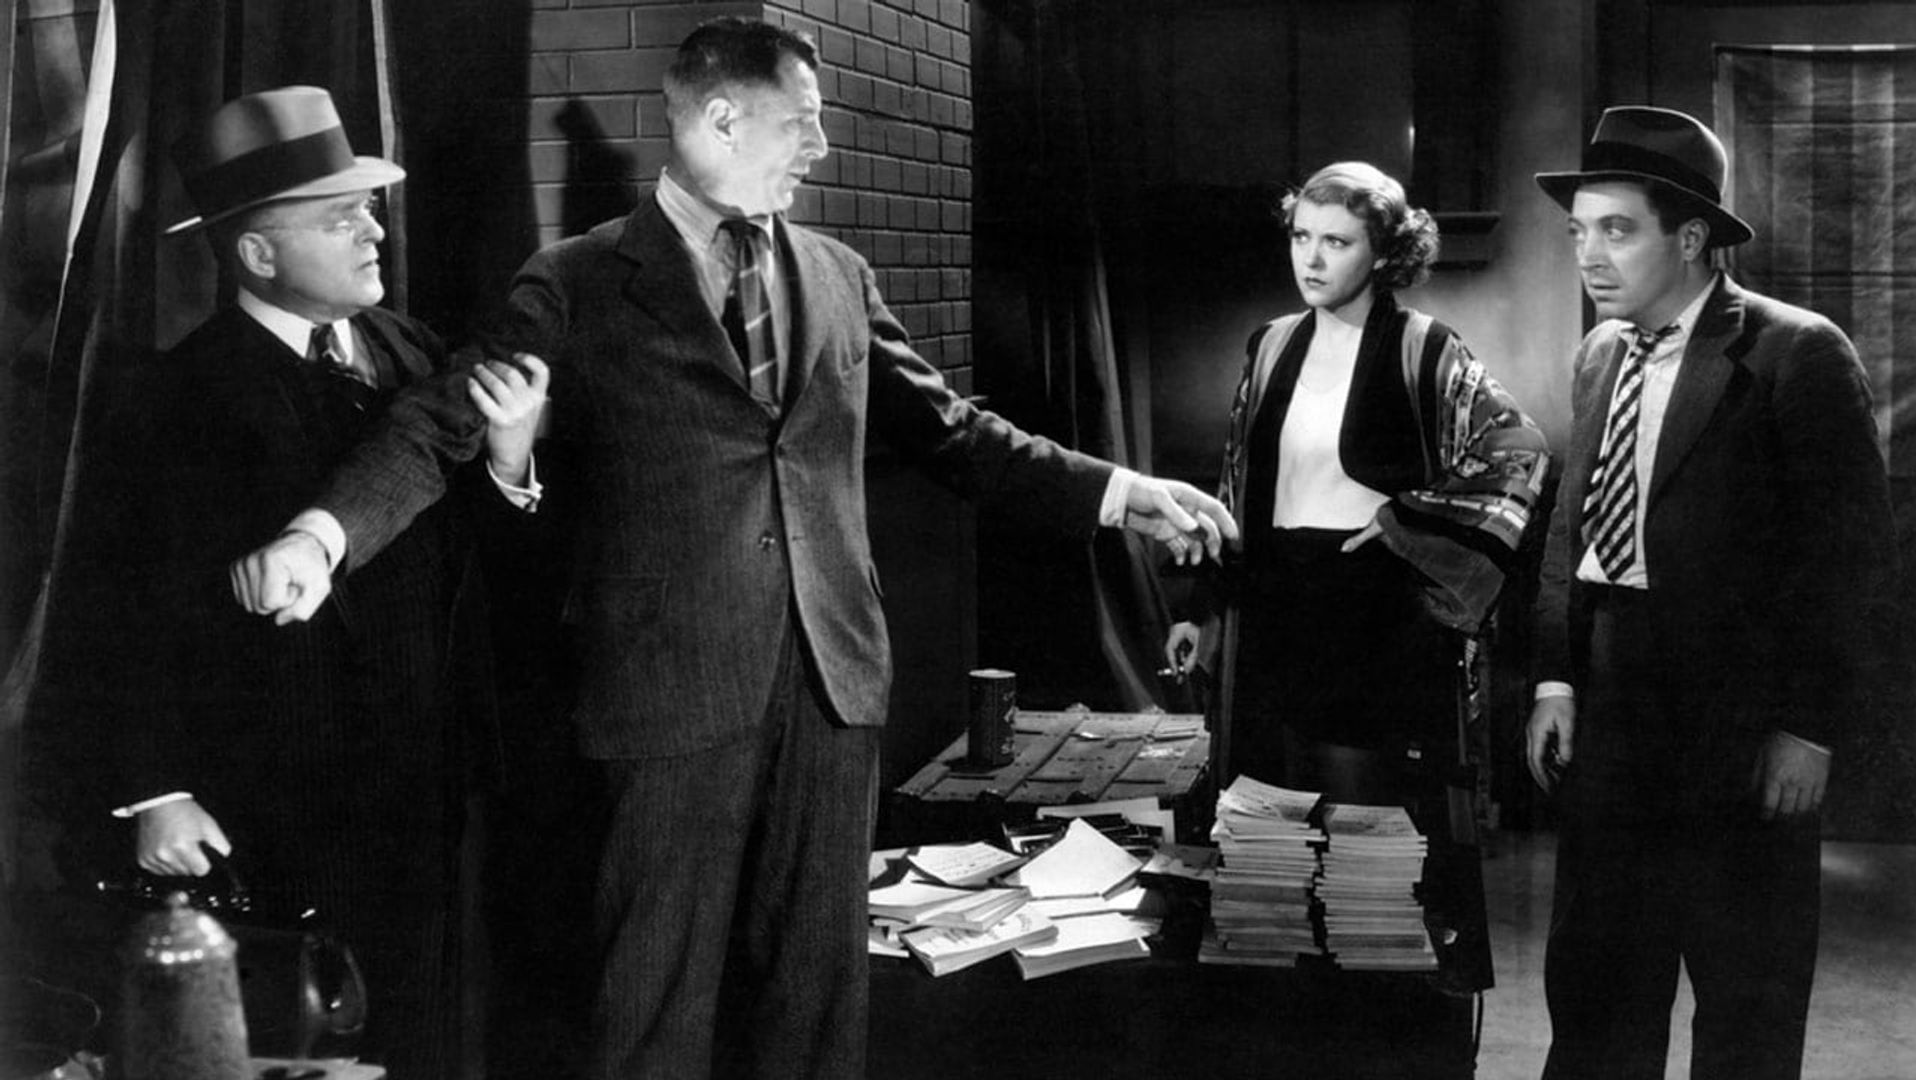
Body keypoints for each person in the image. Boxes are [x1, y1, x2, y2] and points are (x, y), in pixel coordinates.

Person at [224, 20, 1237, 1080]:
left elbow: (954, 435)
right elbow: (441, 419)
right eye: (802, 122)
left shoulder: (839, 275)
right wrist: (320, 537)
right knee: (649, 1007)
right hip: (664, 698)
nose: (821, 147)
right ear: (719, 119)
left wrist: (1123, 493)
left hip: (830, 687)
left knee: (813, 1005)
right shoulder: (575, 279)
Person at [63, 86, 546, 1076]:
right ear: (256, 252)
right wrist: (158, 791)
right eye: (340, 217)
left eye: (368, 208)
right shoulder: (176, 397)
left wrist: (509, 463)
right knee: (310, 1039)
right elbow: (119, 614)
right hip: (277, 793)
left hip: (428, 777)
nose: (375, 232)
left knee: (426, 1032)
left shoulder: (414, 353)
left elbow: (477, 563)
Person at [1524, 106, 1894, 1079]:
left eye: (1617, 230)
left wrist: (1808, 728)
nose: (1590, 256)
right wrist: (1556, 679)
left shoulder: (1795, 351)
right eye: (1580, 231)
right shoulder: (1600, 354)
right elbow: (1570, 531)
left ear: (1690, 238)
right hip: (1611, 720)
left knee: (1746, 1010)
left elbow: (1850, 562)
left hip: (1738, 731)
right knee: (1598, 997)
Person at [1165, 161, 1547, 803]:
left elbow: (1519, 448)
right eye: (1301, 236)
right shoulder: (1270, 345)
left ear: (1384, 254)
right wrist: (1201, 611)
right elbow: (1235, 487)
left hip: (1371, 613)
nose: (1311, 259)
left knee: (1363, 815)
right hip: (1271, 607)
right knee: (1266, 811)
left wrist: (1409, 520)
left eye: (1336, 242)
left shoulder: (1425, 347)